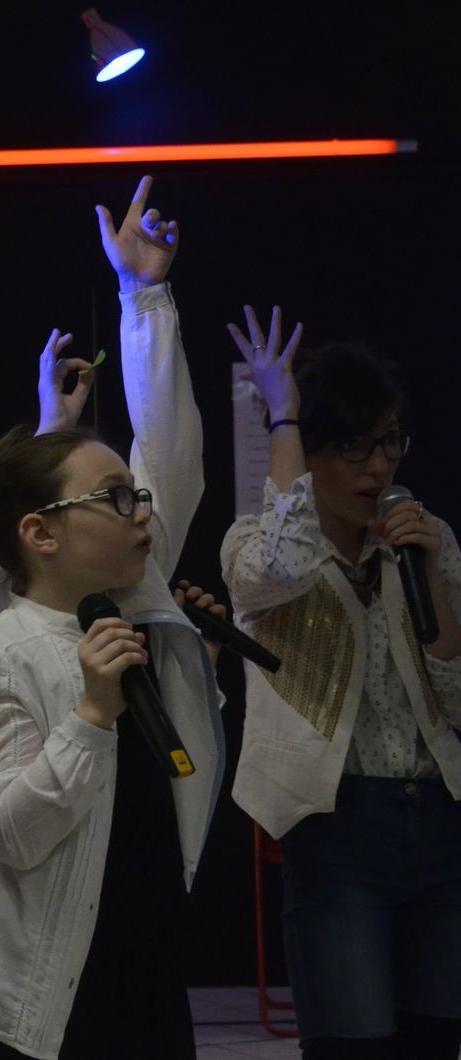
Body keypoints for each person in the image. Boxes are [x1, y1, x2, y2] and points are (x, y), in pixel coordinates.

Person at [0, 176, 226, 1059]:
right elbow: (11, 832)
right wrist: (92, 715)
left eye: (136, 497)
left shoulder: (138, 600)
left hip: (147, 969)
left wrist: (145, 297)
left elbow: (172, 457)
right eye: (116, 498)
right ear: (41, 534)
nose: (142, 512)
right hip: (34, 997)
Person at [221, 310, 461, 1059]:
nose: (377, 467)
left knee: (436, 1040)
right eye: (353, 445)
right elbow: (288, 562)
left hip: (440, 817)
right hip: (336, 828)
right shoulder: (252, 547)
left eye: (389, 441)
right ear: (309, 451)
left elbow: (456, 699)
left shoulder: (425, 539)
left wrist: (430, 574)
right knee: (352, 1044)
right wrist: (283, 414)